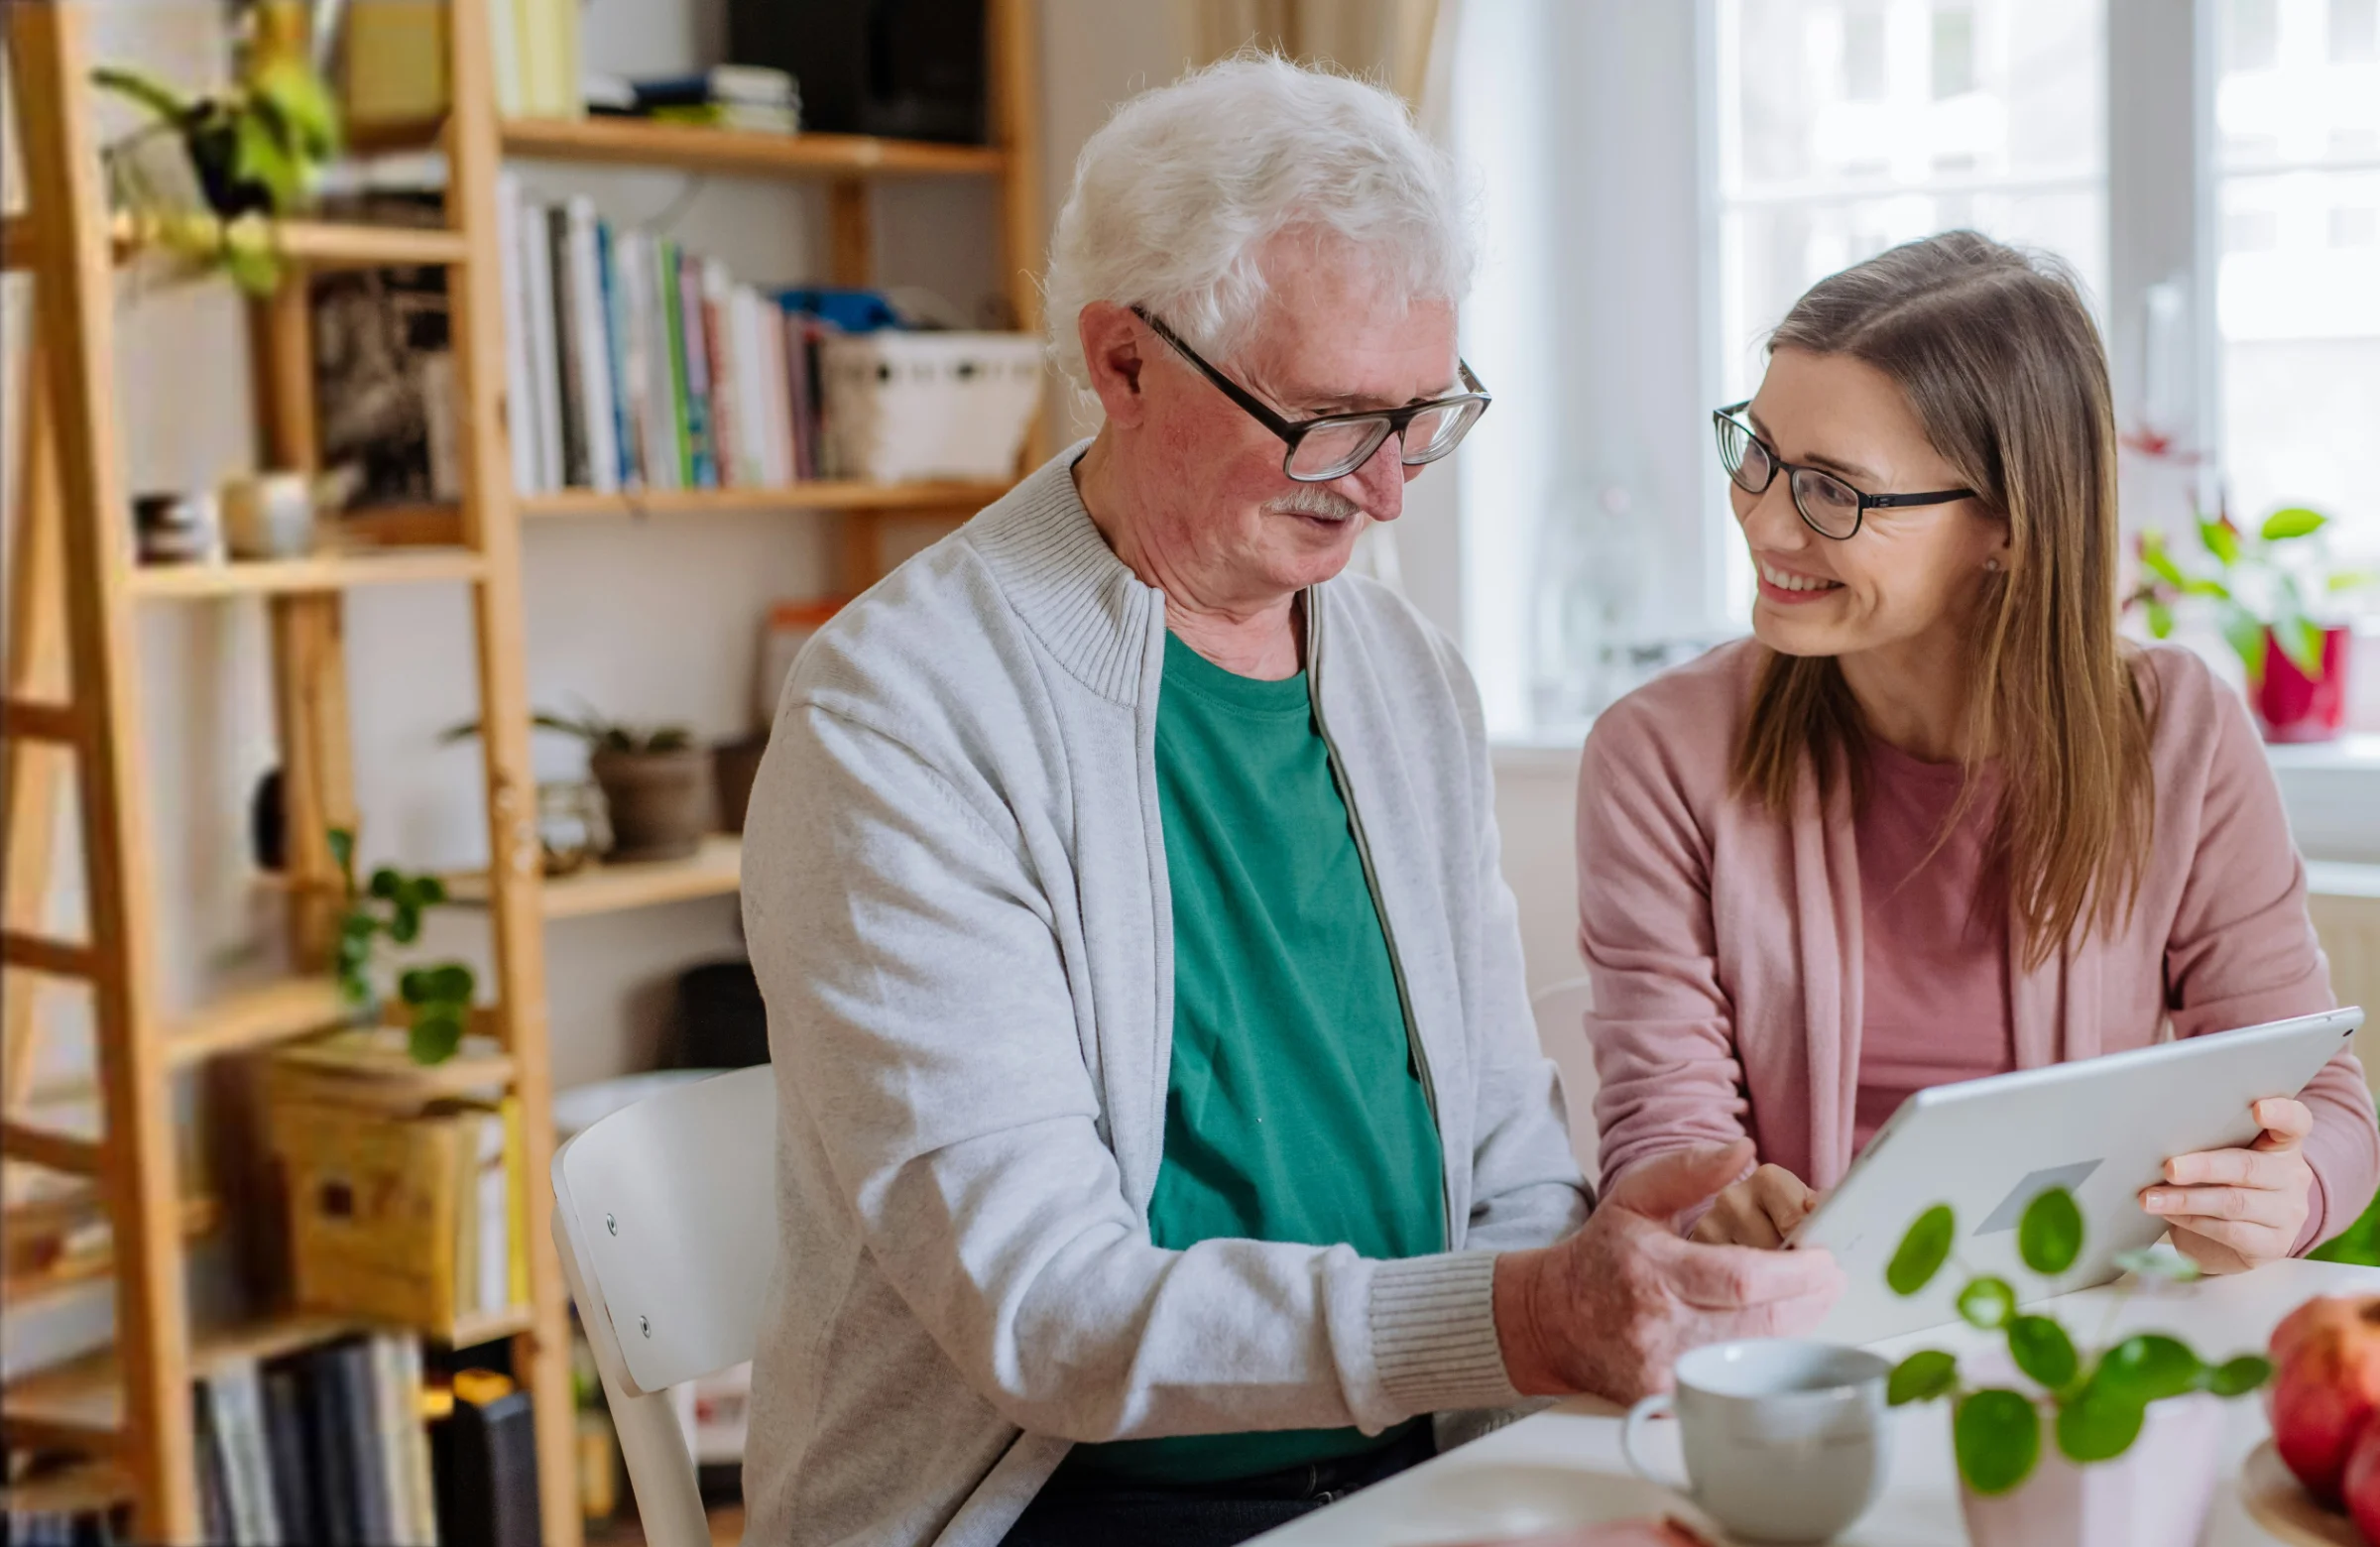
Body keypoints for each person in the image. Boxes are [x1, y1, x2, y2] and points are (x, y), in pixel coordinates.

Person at [739, 56, 1843, 1547]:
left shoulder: (1402, 675)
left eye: (1423, 417)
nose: (1386, 491)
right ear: (1124, 362)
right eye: (1329, 419)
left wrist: (1609, 1268)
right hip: (1064, 1507)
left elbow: (1510, 1163)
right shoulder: (900, 712)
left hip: (1422, 1464)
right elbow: (1052, 1317)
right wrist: (1523, 1318)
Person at [1577, 231, 2380, 1274]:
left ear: (2003, 523)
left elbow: (2325, 1105)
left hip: (2078, 1337)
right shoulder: (1659, 756)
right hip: (1796, 1352)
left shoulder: (2179, 733)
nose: (1765, 523)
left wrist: (2289, 1190)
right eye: (1759, 452)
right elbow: (1660, 1129)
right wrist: (1707, 1205)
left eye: (1832, 489)